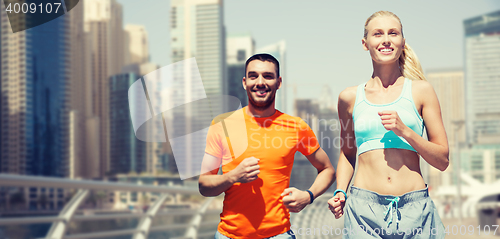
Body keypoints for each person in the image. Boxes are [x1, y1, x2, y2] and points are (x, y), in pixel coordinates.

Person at [327, 11, 448, 238]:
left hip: (416, 212)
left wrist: (405, 131)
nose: (386, 40)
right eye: (377, 34)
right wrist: (341, 190)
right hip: (364, 212)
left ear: (402, 42)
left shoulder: (422, 91)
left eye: (393, 33)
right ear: (365, 44)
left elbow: (442, 160)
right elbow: (347, 152)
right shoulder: (349, 97)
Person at [199, 53, 335, 239]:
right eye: (253, 76)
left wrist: (308, 196)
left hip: (279, 235)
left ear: (278, 83)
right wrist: (232, 176)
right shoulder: (221, 124)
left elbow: (327, 169)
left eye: (268, 76)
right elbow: (204, 185)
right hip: (228, 235)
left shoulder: (296, 126)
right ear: (244, 82)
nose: (260, 82)